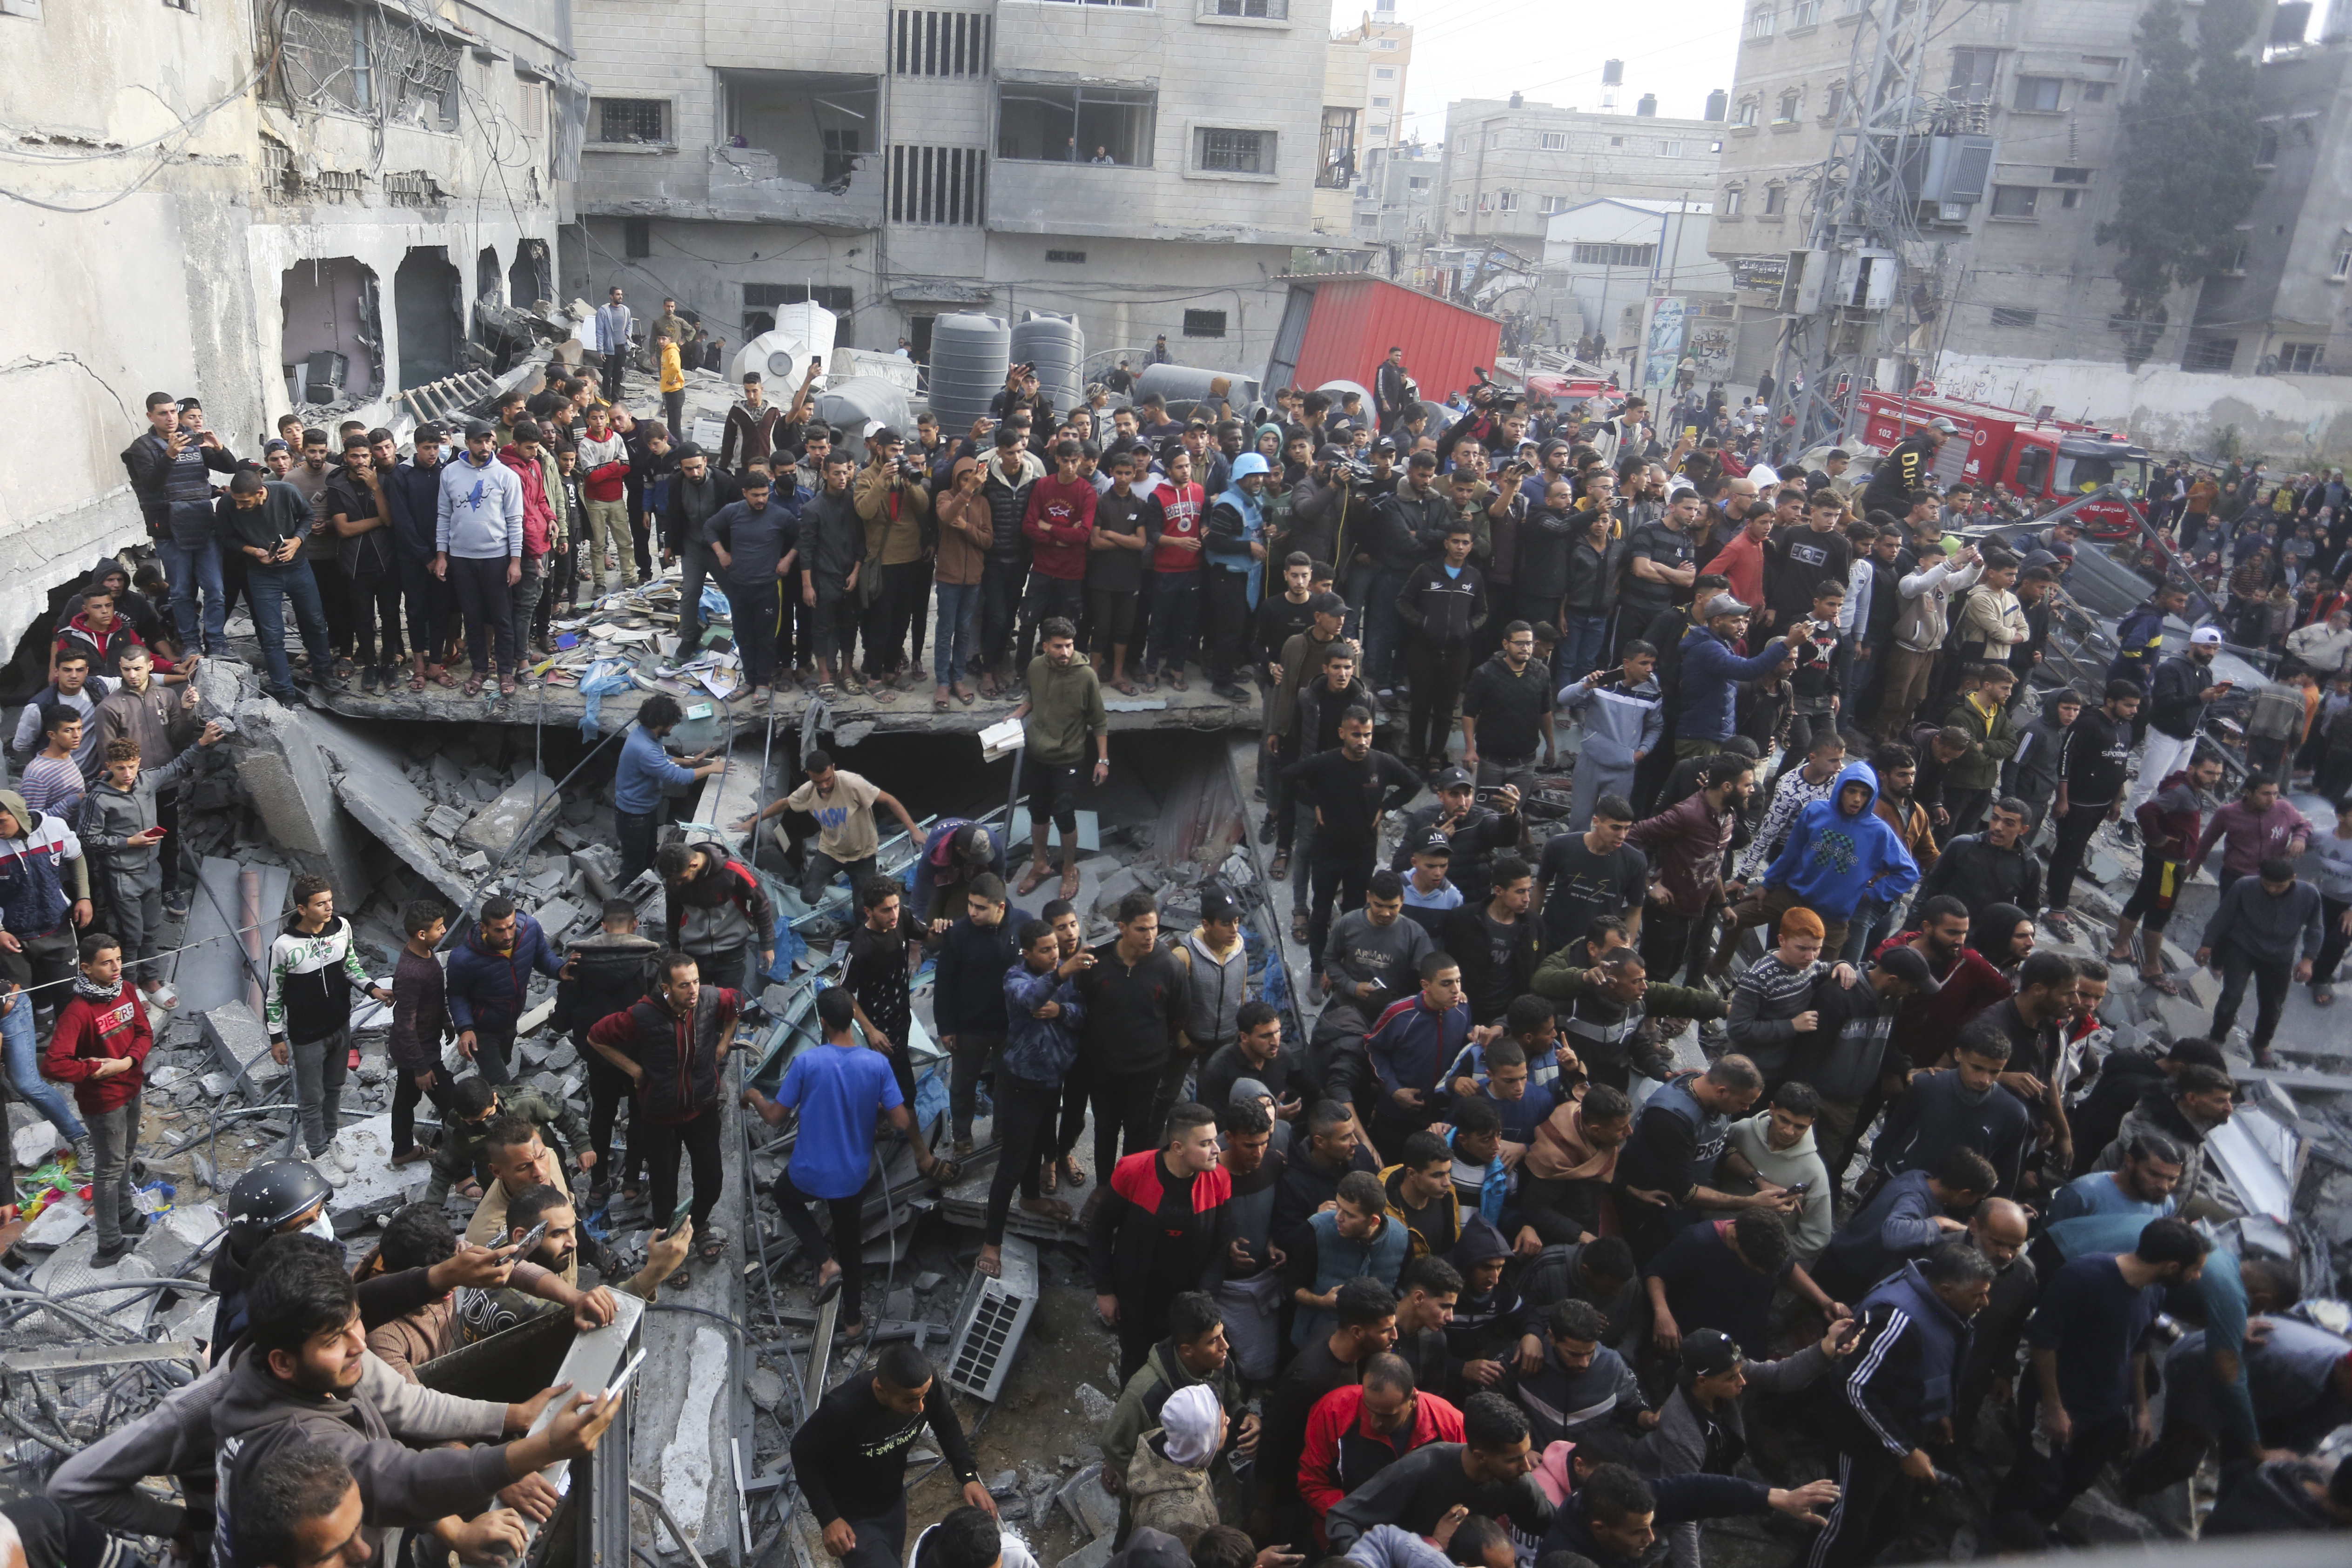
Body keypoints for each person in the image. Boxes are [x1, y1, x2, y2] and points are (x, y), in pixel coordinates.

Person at [210, 1233, 621, 1568]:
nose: (359, 1346)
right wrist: (536, 1450)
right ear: (284, 1362)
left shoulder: (295, 1359)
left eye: (356, 1323)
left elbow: (411, 1409)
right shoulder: (302, 1440)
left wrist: (514, 1416)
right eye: (336, 1340)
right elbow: (400, 1477)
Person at [743, 987, 952, 1334]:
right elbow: (903, 1122)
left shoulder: (807, 1063)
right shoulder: (877, 1064)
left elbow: (776, 1118)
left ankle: (825, 1261)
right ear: (853, 1020)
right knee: (849, 1240)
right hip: (852, 1176)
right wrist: (879, 1107)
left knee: (784, 1196)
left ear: (822, 1022)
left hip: (808, 1173)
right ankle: (854, 1321)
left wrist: (753, 1095)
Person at [1993, 1218, 2208, 1540]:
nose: (2198, 1277)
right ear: (2172, 1266)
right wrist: (2053, 1406)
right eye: (2196, 1269)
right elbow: (2043, 1344)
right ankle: (1998, 1539)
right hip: (2057, 1402)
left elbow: (2139, 1346)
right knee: (2035, 1479)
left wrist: (2141, 1407)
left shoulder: (2155, 1289)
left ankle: (2031, 1535)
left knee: (2076, 1480)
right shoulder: (2083, 1277)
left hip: (2106, 1410)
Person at [1805, 1240, 1994, 1568]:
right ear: (1947, 1289)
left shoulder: (1945, 1308)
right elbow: (1857, 1386)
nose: (1986, 1302)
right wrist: (1905, 1450)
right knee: (1843, 1525)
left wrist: (1939, 1411)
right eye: (1979, 1294)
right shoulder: (1898, 1318)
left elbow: (1929, 1364)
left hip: (1902, 1432)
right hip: (1863, 1442)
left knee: (1889, 1521)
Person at [789, 1343, 994, 1568]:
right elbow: (802, 1453)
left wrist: (968, 1475)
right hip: (854, 1517)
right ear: (881, 1390)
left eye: (924, 1397)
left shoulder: (923, 1385)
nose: (920, 1407)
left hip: (894, 1501)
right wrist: (828, 1518)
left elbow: (946, 1423)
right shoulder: (842, 1410)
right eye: (909, 1400)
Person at [76, 727, 216, 1006]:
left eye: (131, 766)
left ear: (139, 763)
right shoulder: (99, 799)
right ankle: (129, 985)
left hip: (151, 870)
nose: (127, 774)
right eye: (120, 768)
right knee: (131, 934)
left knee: (151, 928)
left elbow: (177, 766)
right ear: (109, 767)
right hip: (121, 875)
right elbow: (86, 837)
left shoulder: (147, 781)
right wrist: (128, 842)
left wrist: (201, 743)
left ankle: (151, 979)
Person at [262, 875, 392, 1173]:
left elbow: (350, 966)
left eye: (330, 900)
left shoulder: (342, 929)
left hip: (339, 1025)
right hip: (306, 1035)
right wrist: (276, 1038)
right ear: (302, 909)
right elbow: (274, 995)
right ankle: (317, 1153)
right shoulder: (284, 947)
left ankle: (331, 1139)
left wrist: (373, 989)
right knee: (311, 1097)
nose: (329, 907)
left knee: (335, 1086)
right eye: (321, 904)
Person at [40, 935, 151, 1267]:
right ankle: (110, 1244)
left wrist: (126, 1063)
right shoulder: (79, 1011)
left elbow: (144, 1033)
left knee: (127, 1155)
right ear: (86, 968)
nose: (117, 967)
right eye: (107, 962)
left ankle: (125, 1212)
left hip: (131, 1086)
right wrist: (95, 1069)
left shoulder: (127, 991)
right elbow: (53, 1063)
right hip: (104, 1101)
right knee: (109, 1168)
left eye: (119, 959)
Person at [1613, 1055, 1770, 1263]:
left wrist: (1759, 1181)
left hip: (1684, 1209)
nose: (1747, 1109)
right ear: (1722, 1091)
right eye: (1743, 1103)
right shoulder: (1671, 1118)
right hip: (1651, 1208)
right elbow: (1685, 1192)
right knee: (1653, 1266)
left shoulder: (1710, 1091)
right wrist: (1750, 1203)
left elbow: (1720, 1146)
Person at [1007, 619, 1110, 900]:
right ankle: (1040, 864)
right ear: (1045, 647)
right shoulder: (1035, 667)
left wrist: (1103, 760)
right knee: (1037, 810)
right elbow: (1033, 698)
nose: (1065, 653)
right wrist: (1015, 716)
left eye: (1069, 646)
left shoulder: (1086, 676)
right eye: (1058, 647)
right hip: (1038, 752)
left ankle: (1068, 868)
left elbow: (1099, 721)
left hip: (1069, 757)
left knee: (1064, 813)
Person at [1868, 1023, 2031, 1196]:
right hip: (1899, 1182)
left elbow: (2007, 1172)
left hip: (1955, 1202)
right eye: (1977, 1068)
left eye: (1995, 1072)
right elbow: (1895, 1129)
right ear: (1958, 1054)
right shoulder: (1926, 1086)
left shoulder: (2014, 1114)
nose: (1984, 1079)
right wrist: (1874, 1168)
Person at [2197, 855, 2324, 1066]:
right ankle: (2216, 1037)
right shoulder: (2244, 887)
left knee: (2273, 1004)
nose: (2272, 890)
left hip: (2280, 955)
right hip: (2243, 947)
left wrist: (2308, 959)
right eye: (2267, 885)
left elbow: (2316, 928)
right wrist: (2208, 943)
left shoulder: (2309, 894)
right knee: (2232, 995)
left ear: (2293, 878)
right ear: (2260, 877)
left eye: (2279, 886)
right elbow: (2223, 916)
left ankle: (2261, 1044)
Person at [2040, 681, 2142, 941]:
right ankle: (2056, 911)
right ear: (2110, 702)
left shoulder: (2126, 727)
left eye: (2136, 706)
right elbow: (2066, 760)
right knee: (2067, 854)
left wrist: (2117, 801)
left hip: (2102, 804)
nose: (2134, 711)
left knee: (2076, 854)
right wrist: (2063, 799)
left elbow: (2121, 765)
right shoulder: (2087, 723)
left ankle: (2057, 900)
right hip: (2078, 803)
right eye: (2128, 705)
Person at [432, 421, 525, 697]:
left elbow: (515, 521)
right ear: (468, 443)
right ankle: (480, 668)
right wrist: (442, 555)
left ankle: (506, 671)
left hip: (496, 557)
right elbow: (443, 517)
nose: (485, 447)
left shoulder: (506, 476)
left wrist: (516, 560)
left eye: (489, 441)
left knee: (502, 618)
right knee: (471, 617)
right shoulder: (450, 473)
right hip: (461, 559)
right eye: (478, 442)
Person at [443, 895, 565, 1087]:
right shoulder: (463, 959)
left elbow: (542, 955)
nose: (507, 936)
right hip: (482, 1030)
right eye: (499, 930)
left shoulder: (529, 929)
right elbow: (457, 994)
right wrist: (465, 1029)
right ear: (484, 928)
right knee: (503, 1086)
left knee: (501, 1068)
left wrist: (560, 970)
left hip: (509, 1024)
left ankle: (477, 1103)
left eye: (511, 927)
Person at [612, 694, 725, 888]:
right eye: (671, 724)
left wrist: (688, 761)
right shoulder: (644, 748)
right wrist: (711, 769)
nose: (672, 728)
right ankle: (628, 904)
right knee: (633, 866)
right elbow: (677, 778)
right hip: (633, 817)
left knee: (648, 854)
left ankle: (646, 887)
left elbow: (662, 758)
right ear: (660, 723)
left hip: (644, 810)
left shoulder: (644, 734)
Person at [1558, 645, 1662, 834]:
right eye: (1644, 663)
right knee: (1579, 823)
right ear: (1627, 664)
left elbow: (1655, 727)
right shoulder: (1601, 681)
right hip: (1590, 762)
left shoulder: (1653, 692)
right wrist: (1586, 685)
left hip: (1624, 768)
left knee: (1613, 825)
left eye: (1652, 664)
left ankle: (1603, 860)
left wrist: (1641, 753)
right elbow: (1563, 699)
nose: (1649, 669)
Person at [656, 836, 777, 996]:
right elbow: (673, 913)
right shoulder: (675, 879)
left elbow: (761, 904)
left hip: (731, 951)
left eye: (681, 879)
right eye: (673, 881)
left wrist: (767, 945)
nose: (677, 884)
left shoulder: (733, 871)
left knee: (730, 1003)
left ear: (694, 865)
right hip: (693, 953)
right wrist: (674, 947)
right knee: (697, 1005)